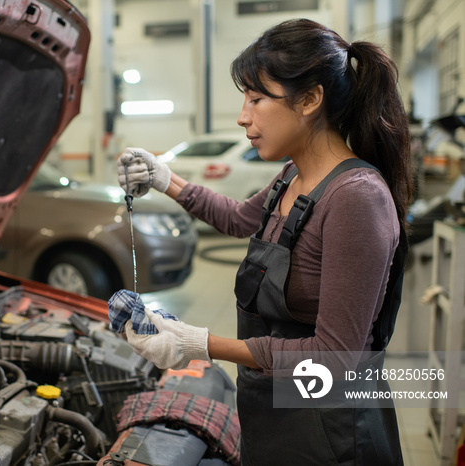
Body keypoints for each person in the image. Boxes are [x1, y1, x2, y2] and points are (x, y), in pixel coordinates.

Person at [112, 18, 412, 466]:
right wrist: (164, 178)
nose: (242, 116)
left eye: (257, 98)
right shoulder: (294, 175)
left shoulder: (355, 199)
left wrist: (197, 343)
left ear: (310, 100)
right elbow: (236, 219)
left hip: (333, 433)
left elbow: (333, 358)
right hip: (276, 414)